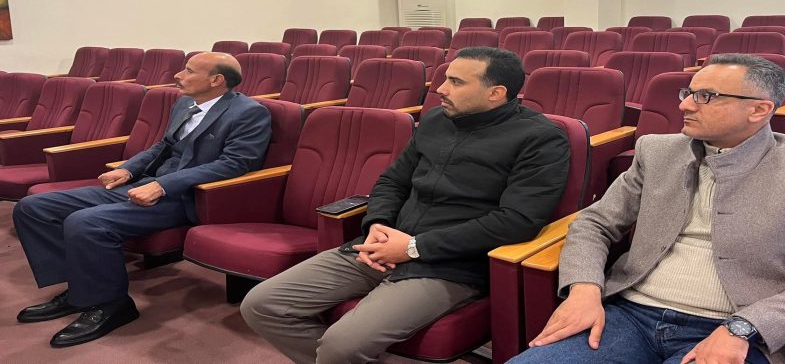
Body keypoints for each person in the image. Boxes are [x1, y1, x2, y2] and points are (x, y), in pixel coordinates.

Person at [510, 53, 785, 364]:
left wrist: (744, 327)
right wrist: (584, 288)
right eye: (688, 93)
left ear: (759, 110)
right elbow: (595, 223)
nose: (684, 105)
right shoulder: (657, 151)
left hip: (737, 328)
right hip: (629, 314)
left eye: (705, 96)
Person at [241, 46, 570, 363]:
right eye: (446, 78)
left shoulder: (540, 138)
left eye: (456, 82)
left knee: (340, 346)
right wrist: (377, 224)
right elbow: (392, 181)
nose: (440, 89)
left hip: (452, 265)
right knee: (262, 304)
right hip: (385, 243)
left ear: (495, 93)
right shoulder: (437, 120)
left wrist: (414, 247)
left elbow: (515, 221)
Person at [13, 52, 272, 347]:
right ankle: (80, 290)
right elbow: (164, 145)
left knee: (86, 223)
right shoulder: (185, 103)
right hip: (146, 184)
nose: (178, 75)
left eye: (188, 71)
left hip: (189, 197)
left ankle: (112, 305)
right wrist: (128, 169)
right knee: (33, 208)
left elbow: (235, 164)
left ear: (216, 80)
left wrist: (164, 185)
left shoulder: (249, 112)